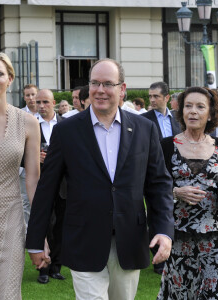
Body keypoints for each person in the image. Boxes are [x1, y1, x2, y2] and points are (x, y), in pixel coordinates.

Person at [26, 58, 174, 300]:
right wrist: (36, 240)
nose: (100, 90)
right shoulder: (67, 131)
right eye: (95, 83)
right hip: (83, 238)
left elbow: (159, 184)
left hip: (129, 239)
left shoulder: (144, 129)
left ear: (122, 89)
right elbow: (47, 188)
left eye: (108, 83)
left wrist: (165, 231)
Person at [158, 87, 218, 300]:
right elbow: (155, 187)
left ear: (211, 114)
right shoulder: (166, 146)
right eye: (188, 106)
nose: (193, 111)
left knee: (215, 294)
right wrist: (176, 192)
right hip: (178, 235)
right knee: (181, 292)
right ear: (181, 111)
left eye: (200, 106)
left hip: (215, 235)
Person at [0, 51, 40, 298]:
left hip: (10, 221)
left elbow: (33, 178)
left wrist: (39, 234)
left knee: (5, 293)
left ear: (10, 79)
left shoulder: (28, 123)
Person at [142, 81, 181, 274]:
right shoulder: (144, 119)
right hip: (154, 174)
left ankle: (174, 253)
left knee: (175, 212)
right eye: (150, 96)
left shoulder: (177, 120)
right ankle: (159, 260)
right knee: (156, 211)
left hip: (176, 172)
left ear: (167, 97)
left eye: (156, 96)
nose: (152, 100)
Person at [35, 89, 66, 284]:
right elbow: (18, 154)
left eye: (45, 102)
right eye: (38, 102)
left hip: (63, 183)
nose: (41, 106)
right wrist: (33, 157)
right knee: (43, 225)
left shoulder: (66, 124)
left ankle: (56, 267)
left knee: (61, 226)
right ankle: (43, 269)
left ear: (53, 102)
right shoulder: (30, 124)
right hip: (39, 181)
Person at [20, 83, 39, 227]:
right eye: (28, 95)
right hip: (24, 166)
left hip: (44, 165)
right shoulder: (19, 116)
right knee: (25, 201)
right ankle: (28, 230)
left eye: (33, 94)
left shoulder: (45, 112)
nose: (31, 98)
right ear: (24, 97)